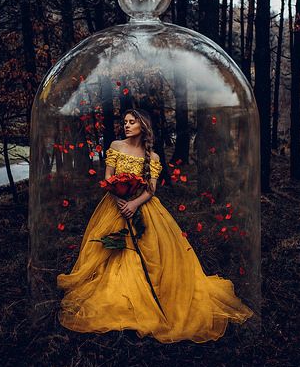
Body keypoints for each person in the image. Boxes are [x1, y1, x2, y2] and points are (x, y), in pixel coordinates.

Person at [57, 108, 254, 343]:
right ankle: (123, 298)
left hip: (143, 208)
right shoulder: (116, 146)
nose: (127, 125)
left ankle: (153, 294)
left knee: (151, 250)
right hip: (114, 206)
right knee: (113, 249)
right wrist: (119, 199)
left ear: (143, 126)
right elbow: (108, 179)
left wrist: (134, 204)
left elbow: (151, 189)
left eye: (132, 122)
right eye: (125, 122)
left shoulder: (153, 157)